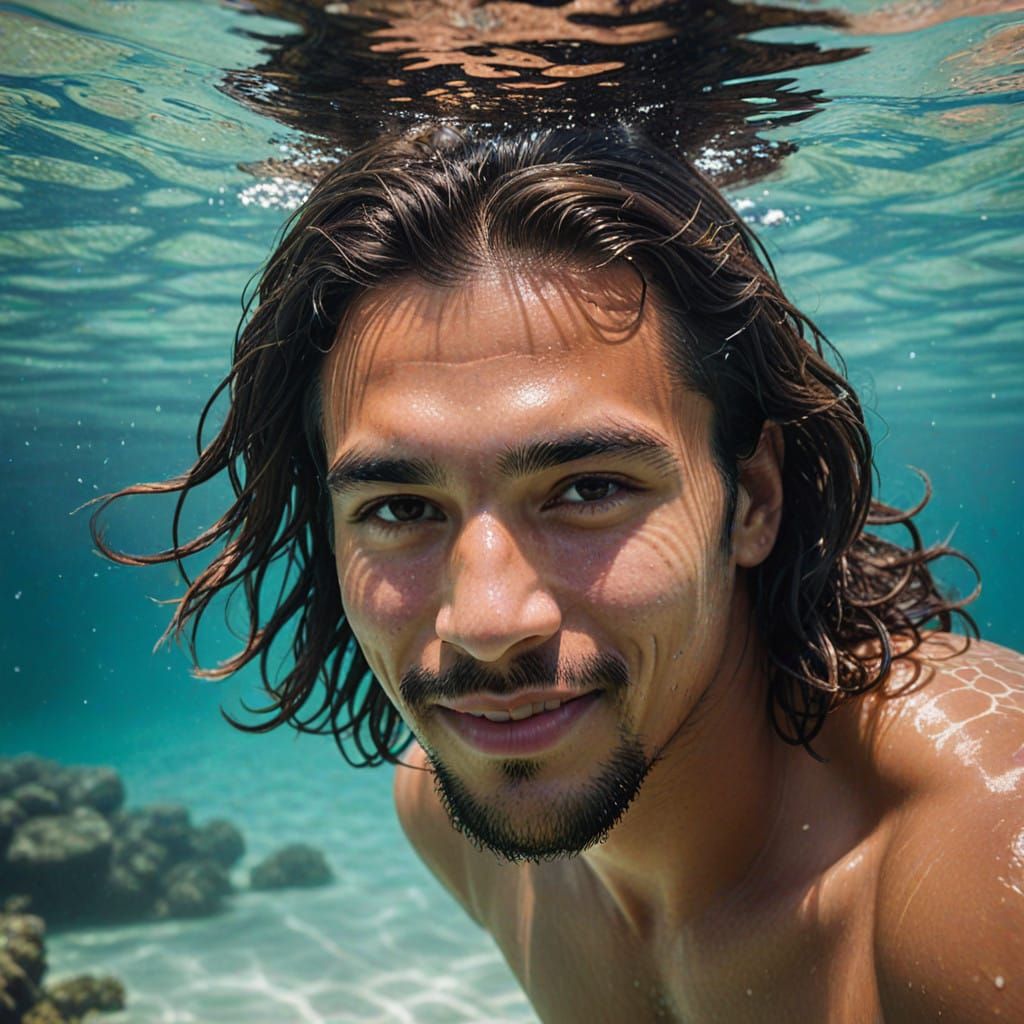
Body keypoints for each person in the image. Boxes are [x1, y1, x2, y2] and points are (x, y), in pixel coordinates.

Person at [93, 125, 1023, 1022]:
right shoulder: (452, 814)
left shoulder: (981, 874)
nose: (489, 622)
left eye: (587, 490)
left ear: (753, 500)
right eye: (400, 509)